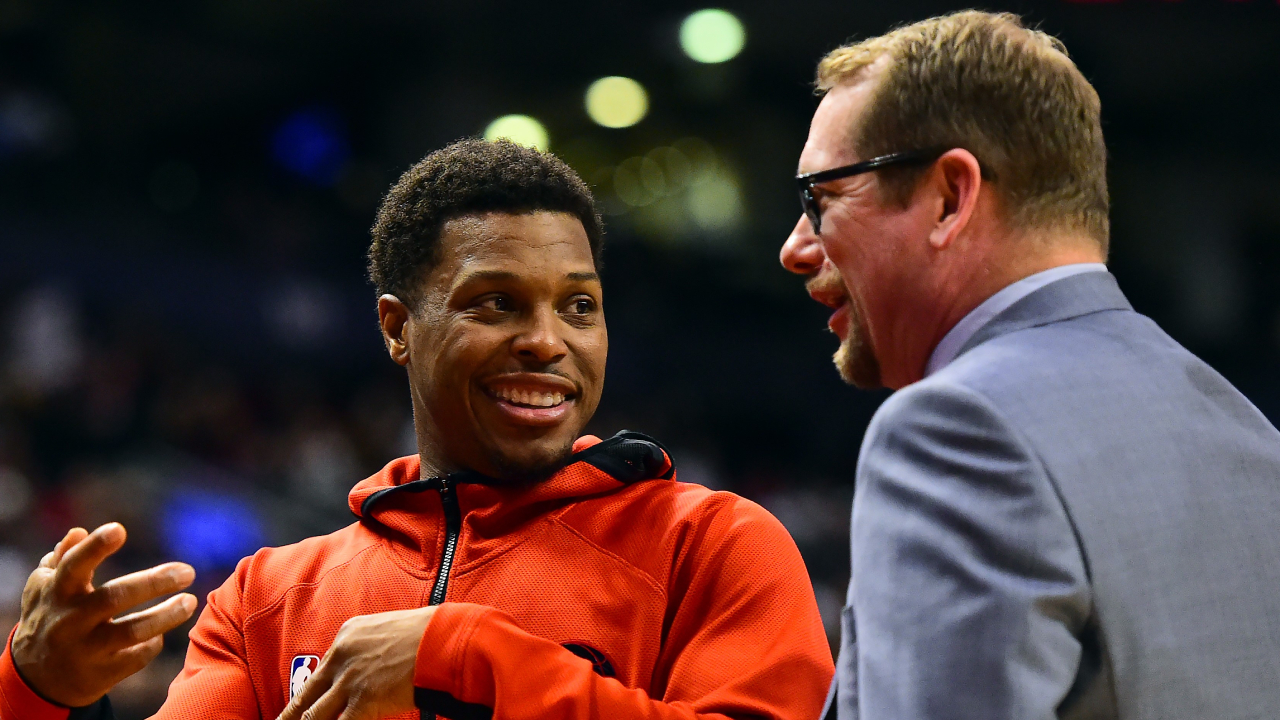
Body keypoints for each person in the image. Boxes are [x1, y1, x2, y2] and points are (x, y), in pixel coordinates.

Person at [4, 139, 834, 720]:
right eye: (495, 303)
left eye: (579, 305)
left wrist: (467, 655)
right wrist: (36, 694)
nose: (548, 340)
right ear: (398, 327)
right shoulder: (267, 599)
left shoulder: (713, 548)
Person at [779, 11, 1280, 720]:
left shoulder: (956, 427)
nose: (795, 248)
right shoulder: (1248, 428)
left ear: (951, 197)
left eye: (819, 198)